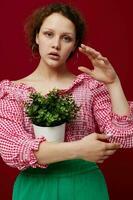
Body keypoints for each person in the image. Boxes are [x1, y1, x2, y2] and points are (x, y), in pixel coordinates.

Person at [0, 2, 133, 200]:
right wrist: (79, 149)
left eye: (66, 38)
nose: (56, 45)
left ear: (75, 45)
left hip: (84, 186)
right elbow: (12, 149)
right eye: (48, 34)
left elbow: (124, 137)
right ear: (37, 36)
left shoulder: (91, 87)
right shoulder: (10, 91)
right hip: (35, 187)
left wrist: (113, 83)